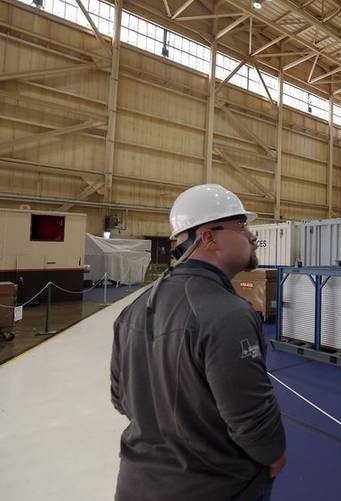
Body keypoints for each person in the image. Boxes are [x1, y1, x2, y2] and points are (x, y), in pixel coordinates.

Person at [110, 184, 286, 501]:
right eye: (242, 226)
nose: (252, 236)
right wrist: (274, 453)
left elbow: (121, 398)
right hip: (216, 487)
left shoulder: (134, 309)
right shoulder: (228, 313)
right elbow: (251, 418)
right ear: (208, 237)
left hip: (136, 485)